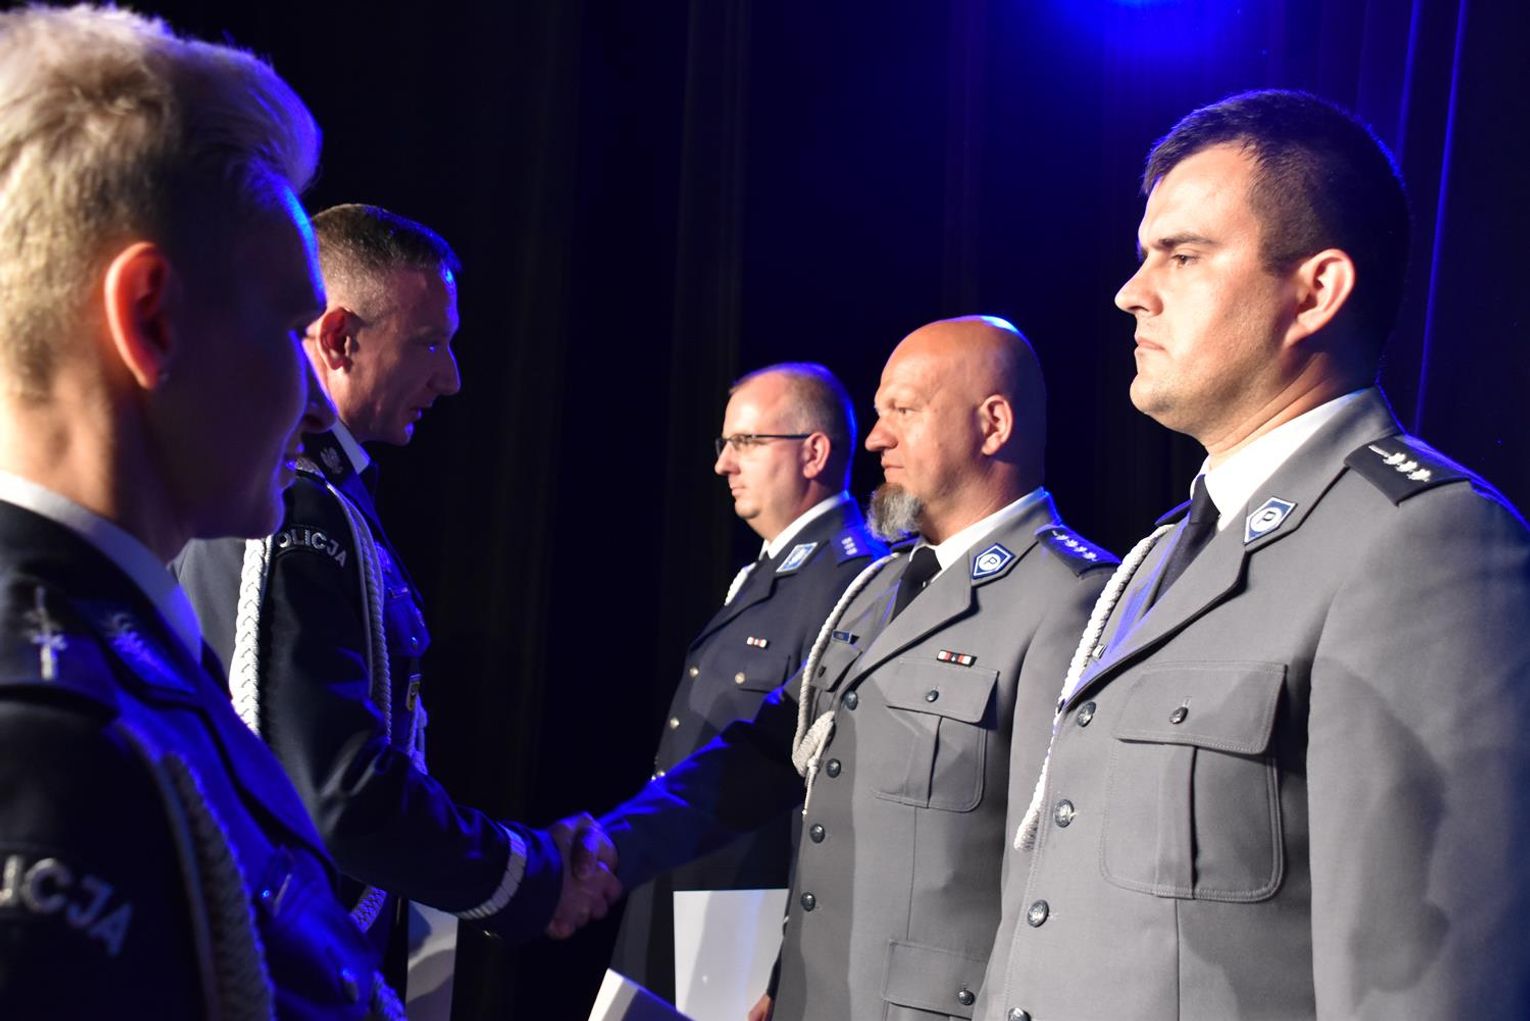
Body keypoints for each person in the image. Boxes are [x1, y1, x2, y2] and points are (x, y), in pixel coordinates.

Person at [979, 89, 1530, 1021]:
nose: (1131, 291)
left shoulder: (1424, 543)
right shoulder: (1155, 559)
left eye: (1183, 255)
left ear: (1315, 291)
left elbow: (1425, 988)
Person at [0, 6, 398, 1015]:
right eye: (291, 328)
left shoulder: (121, 669)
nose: (317, 403)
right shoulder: (48, 739)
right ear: (153, 320)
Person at [592, 316, 1116, 1020]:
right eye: (877, 413)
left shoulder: (1069, 599)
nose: (875, 439)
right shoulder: (874, 590)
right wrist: (607, 848)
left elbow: (1052, 875)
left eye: (904, 410)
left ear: (992, 425)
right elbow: (779, 761)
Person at [173, 204, 618, 988]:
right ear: (340, 338)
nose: (451, 378)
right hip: (272, 968)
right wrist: (531, 873)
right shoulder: (290, 503)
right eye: (430, 342)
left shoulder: (328, 498)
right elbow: (335, 794)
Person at [608, 363, 886, 1004]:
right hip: (683, 894)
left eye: (747, 442)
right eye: (724, 443)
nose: (723, 464)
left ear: (813, 452)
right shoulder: (766, 574)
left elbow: (824, 794)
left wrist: (789, 959)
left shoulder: (852, 583)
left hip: (744, 925)